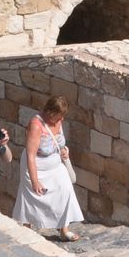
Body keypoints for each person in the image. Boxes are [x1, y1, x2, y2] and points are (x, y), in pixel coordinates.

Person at [11, 95, 85, 241]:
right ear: (50, 113)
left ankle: (64, 229)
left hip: (55, 163)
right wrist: (35, 181)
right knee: (32, 197)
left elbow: (58, 141)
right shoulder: (36, 125)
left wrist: (63, 151)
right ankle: (27, 229)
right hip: (36, 166)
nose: (61, 119)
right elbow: (31, 155)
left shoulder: (58, 121)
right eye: (59, 115)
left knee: (65, 190)